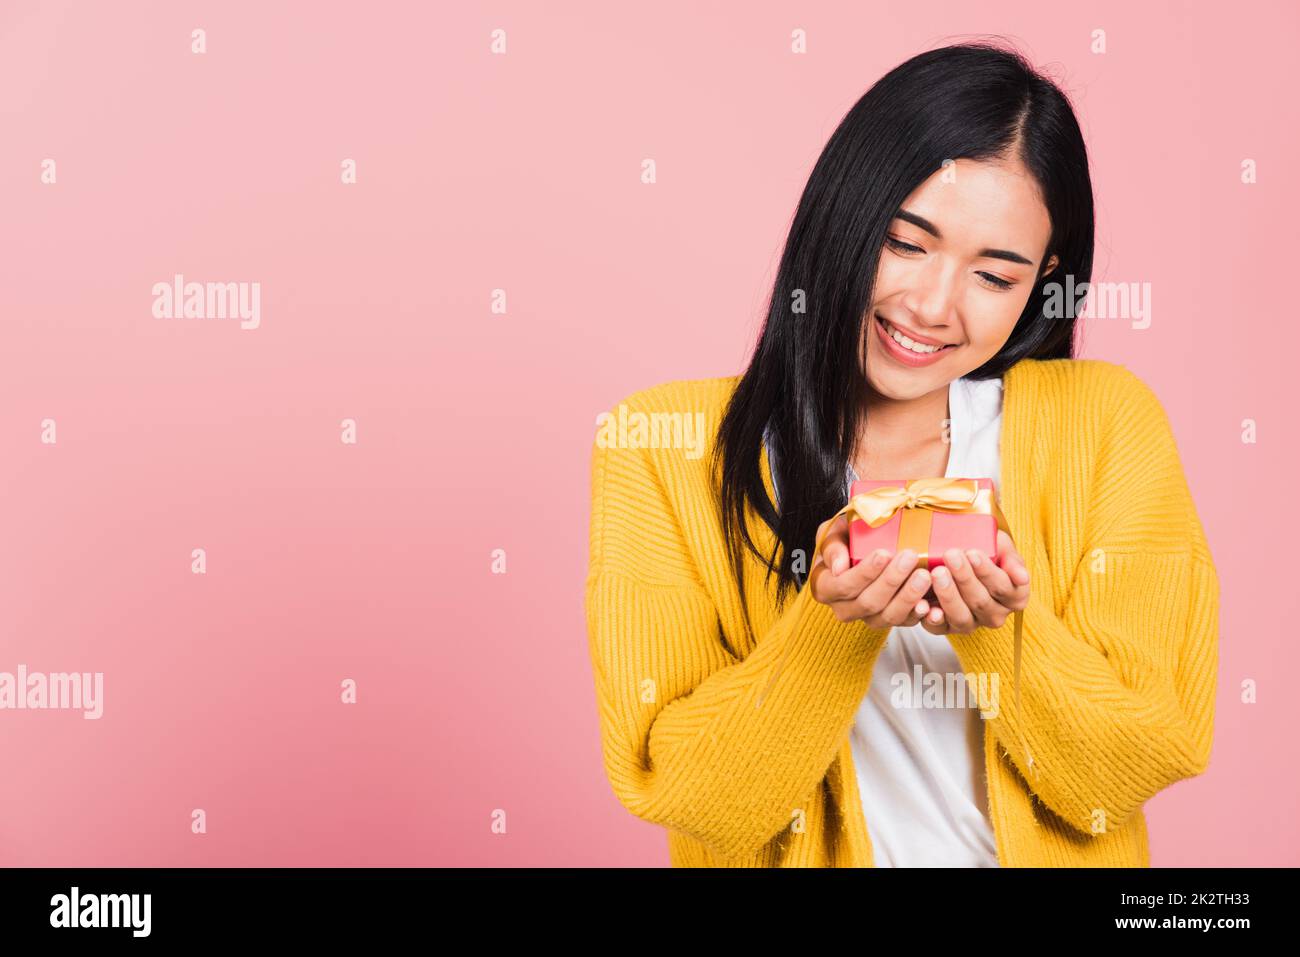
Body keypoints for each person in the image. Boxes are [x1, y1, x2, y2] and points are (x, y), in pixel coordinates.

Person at [583, 41, 1218, 867]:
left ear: (1043, 283)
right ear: (846, 213)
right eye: (906, 243)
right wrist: (830, 625)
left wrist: (1003, 631)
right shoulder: (665, 448)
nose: (931, 306)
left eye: (994, 276)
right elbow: (692, 798)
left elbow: (1134, 760)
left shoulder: (1105, 424)